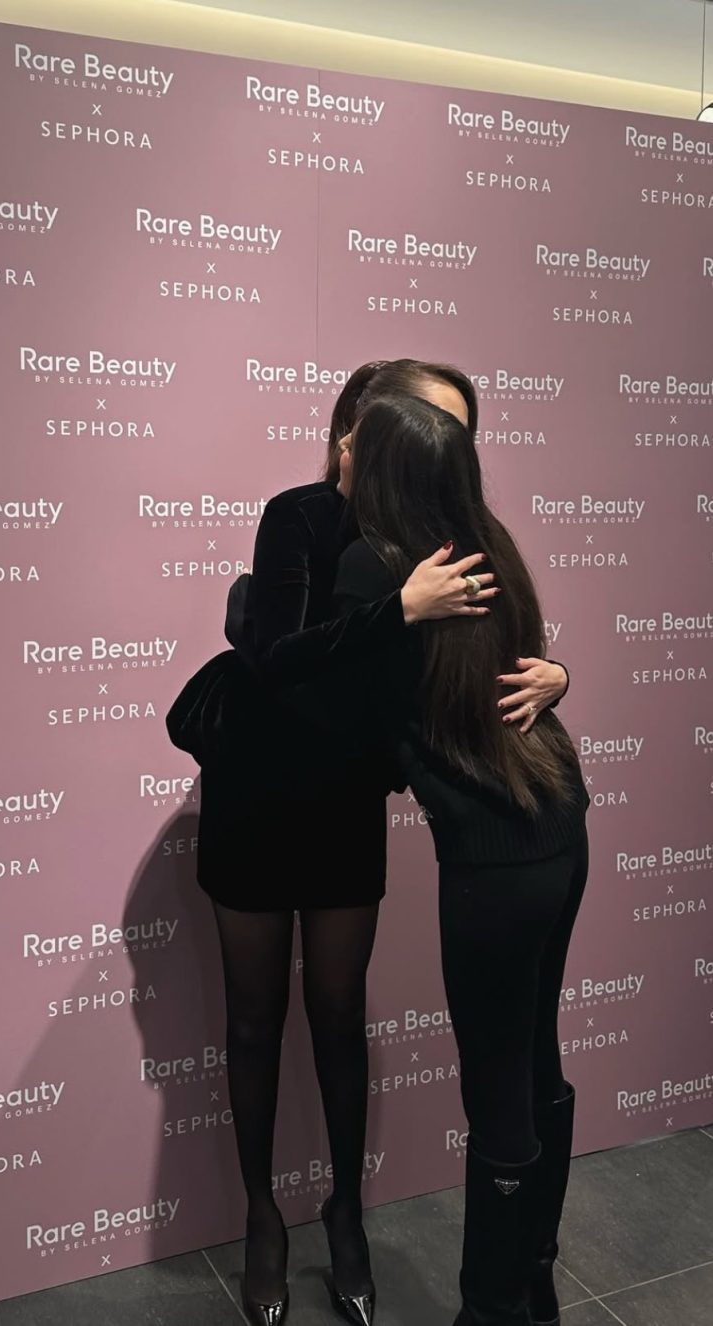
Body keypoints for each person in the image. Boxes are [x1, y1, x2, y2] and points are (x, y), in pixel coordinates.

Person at [182, 360, 570, 1326]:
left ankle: (345, 1216)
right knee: (254, 1022)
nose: (442, 450)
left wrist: (555, 675)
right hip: (257, 802)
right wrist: (395, 612)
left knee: (339, 1020)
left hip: (345, 810)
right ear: (359, 429)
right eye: (424, 427)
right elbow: (278, 660)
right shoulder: (303, 519)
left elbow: (477, 679)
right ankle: (263, 1221)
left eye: (458, 435)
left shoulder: (449, 542)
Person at [333, 393, 590, 1326]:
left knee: (497, 1086)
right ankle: (533, 1282)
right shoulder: (491, 544)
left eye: (356, 441)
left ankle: (490, 1309)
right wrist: (561, 676)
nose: (341, 448)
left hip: (495, 861)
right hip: (558, 828)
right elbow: (516, 677)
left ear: (385, 469)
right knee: (536, 1062)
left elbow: (340, 707)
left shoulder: (372, 569)